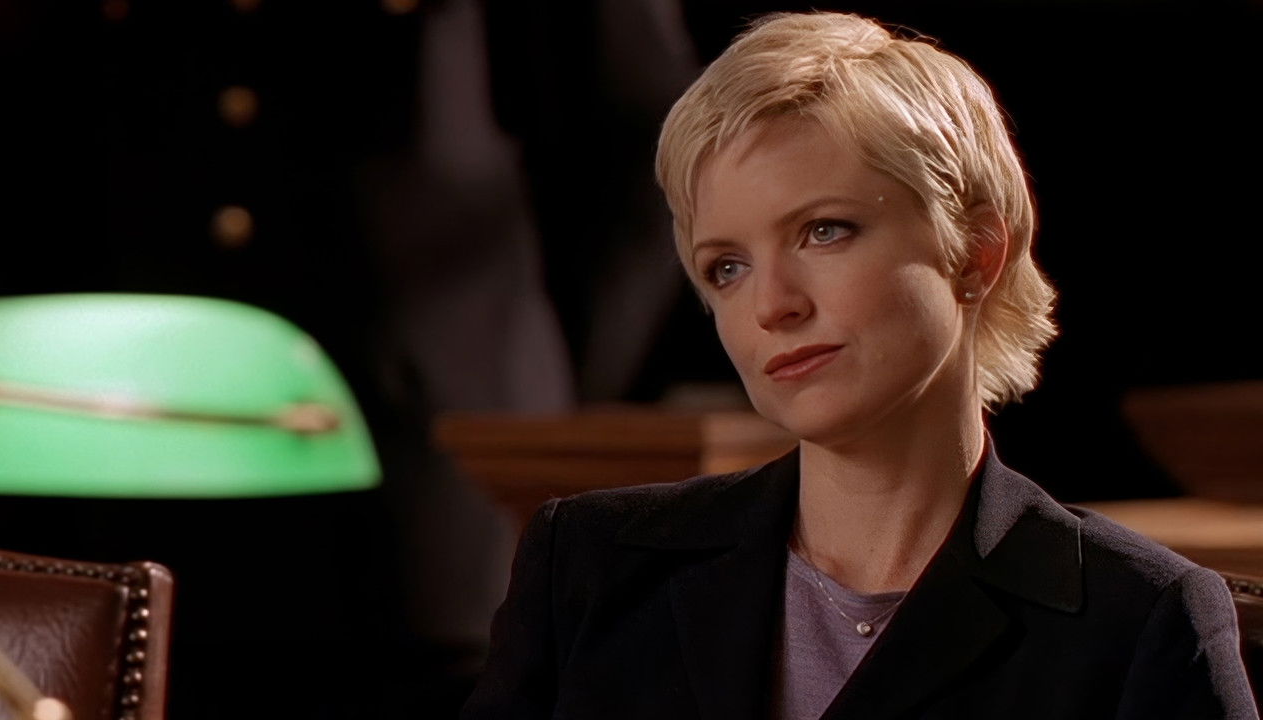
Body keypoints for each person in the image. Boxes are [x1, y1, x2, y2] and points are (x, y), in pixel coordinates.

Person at [461, 12, 1258, 719]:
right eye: (727, 267)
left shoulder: (1137, 617)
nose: (772, 305)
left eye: (824, 231)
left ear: (976, 252)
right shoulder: (591, 566)